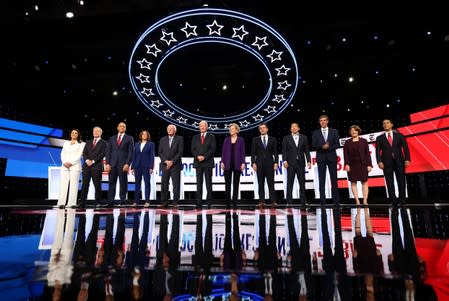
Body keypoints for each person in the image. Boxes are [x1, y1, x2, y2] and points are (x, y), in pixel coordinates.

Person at [375, 119, 411, 204]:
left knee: (401, 180)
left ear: (391, 124)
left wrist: (407, 159)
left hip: (399, 161)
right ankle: (393, 200)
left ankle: (402, 199)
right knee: (389, 181)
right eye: (383, 123)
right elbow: (377, 151)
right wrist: (379, 161)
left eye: (387, 123)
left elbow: (405, 148)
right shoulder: (379, 138)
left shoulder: (399, 135)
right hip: (386, 162)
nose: (385, 125)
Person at [312, 115, 340, 205]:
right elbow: (314, 145)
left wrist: (329, 147)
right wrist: (322, 147)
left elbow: (337, 144)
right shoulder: (315, 133)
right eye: (321, 120)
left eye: (324, 120)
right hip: (321, 157)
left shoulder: (334, 131)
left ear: (327, 121)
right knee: (321, 179)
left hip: (331, 157)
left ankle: (336, 201)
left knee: (334, 180)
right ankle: (322, 201)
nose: (323, 122)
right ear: (319, 122)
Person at [105, 121, 134, 206]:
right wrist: (107, 163)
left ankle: (123, 201)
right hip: (112, 164)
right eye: (120, 126)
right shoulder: (112, 138)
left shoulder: (129, 138)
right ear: (117, 128)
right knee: (111, 183)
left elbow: (130, 152)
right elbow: (108, 152)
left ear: (125, 128)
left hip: (123, 164)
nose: (122, 127)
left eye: (124, 126)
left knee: (123, 183)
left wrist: (127, 164)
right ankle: (110, 201)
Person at [282, 122, 311, 205]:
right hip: (290, 163)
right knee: (290, 182)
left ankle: (303, 201)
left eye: (295, 126)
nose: (294, 128)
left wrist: (308, 161)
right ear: (290, 129)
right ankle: (289, 201)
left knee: (302, 182)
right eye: (292, 127)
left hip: (301, 163)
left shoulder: (304, 138)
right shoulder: (286, 138)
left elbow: (306, 150)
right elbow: (284, 151)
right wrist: (284, 161)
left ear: (299, 128)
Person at [251, 123, 279, 206]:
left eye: (263, 128)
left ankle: (273, 201)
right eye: (260, 128)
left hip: (270, 164)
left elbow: (275, 152)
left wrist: (276, 162)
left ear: (267, 129)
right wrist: (253, 163)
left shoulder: (272, 139)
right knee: (260, 183)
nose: (262, 129)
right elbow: (253, 152)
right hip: (259, 164)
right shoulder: (255, 139)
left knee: (271, 183)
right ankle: (261, 201)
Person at [343, 125, 373, 205]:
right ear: (350, 132)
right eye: (352, 130)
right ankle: (357, 201)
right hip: (352, 165)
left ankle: (365, 200)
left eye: (355, 130)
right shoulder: (347, 142)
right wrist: (346, 164)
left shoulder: (364, 141)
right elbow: (345, 154)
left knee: (365, 182)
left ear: (358, 131)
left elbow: (367, 154)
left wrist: (369, 165)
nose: (353, 132)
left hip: (362, 164)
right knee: (353, 182)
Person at [79, 126, 107, 208]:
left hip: (97, 166)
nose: (95, 132)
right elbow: (84, 153)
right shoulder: (88, 142)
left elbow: (103, 154)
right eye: (94, 131)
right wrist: (87, 160)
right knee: (84, 185)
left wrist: (93, 161)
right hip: (87, 166)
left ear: (100, 133)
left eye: (97, 131)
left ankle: (97, 202)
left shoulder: (104, 143)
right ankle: (82, 202)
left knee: (97, 185)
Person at [57, 128, 85, 208]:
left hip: (75, 166)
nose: (74, 134)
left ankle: (71, 203)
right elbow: (62, 154)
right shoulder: (66, 143)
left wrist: (71, 163)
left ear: (78, 135)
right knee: (63, 185)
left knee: (73, 185)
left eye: (76, 133)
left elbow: (79, 155)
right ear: (70, 134)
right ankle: (61, 203)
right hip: (64, 166)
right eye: (72, 133)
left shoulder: (81, 144)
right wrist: (64, 162)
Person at [191, 120, 216, 206]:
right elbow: (192, 149)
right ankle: (199, 201)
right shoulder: (195, 137)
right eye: (201, 125)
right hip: (198, 163)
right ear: (199, 127)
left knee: (208, 183)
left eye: (204, 125)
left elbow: (212, 150)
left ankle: (209, 202)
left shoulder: (211, 137)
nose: (202, 127)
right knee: (199, 183)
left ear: (207, 127)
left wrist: (204, 157)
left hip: (208, 162)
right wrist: (198, 156)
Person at [158, 124, 184, 207]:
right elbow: (160, 152)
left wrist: (172, 161)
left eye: (171, 129)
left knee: (176, 184)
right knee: (164, 184)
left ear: (175, 130)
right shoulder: (163, 139)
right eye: (168, 129)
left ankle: (175, 202)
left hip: (175, 165)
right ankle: (164, 202)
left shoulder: (180, 139)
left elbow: (180, 152)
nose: (169, 130)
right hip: (165, 165)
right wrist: (166, 161)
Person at [220, 123, 246, 205]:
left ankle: (234, 200)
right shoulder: (226, 139)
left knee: (236, 183)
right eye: (230, 129)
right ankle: (227, 200)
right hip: (227, 163)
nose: (231, 130)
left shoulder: (241, 140)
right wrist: (222, 162)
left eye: (232, 129)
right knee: (227, 183)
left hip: (237, 163)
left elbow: (243, 152)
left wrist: (243, 163)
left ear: (237, 130)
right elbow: (223, 152)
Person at [131, 130, 155, 207]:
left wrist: (151, 167)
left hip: (146, 166)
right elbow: (134, 156)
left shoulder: (151, 144)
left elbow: (152, 156)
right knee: (137, 184)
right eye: (143, 134)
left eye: (146, 134)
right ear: (141, 135)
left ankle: (147, 201)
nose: (144, 135)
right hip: (137, 166)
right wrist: (132, 167)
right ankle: (136, 201)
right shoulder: (137, 144)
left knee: (147, 183)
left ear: (148, 136)